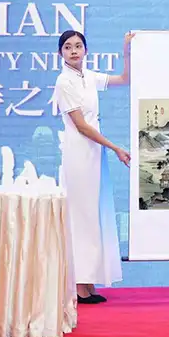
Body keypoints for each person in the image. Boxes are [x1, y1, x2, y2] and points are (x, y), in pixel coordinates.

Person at [53, 30, 133, 304]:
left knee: (92, 215)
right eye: (68, 47)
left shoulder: (89, 77)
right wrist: (115, 147)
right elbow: (82, 126)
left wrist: (126, 50)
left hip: (94, 152)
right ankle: (78, 285)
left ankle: (86, 282)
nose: (74, 51)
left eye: (78, 46)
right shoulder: (64, 82)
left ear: (85, 50)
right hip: (78, 153)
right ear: (60, 53)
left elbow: (125, 79)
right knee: (80, 216)